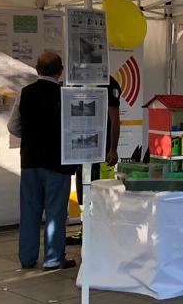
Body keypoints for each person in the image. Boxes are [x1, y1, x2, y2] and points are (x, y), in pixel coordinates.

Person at [7, 51, 77, 271]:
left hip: (30, 160)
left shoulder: (25, 93)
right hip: (58, 161)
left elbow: (13, 126)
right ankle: (53, 258)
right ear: (61, 71)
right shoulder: (66, 95)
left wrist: (30, 137)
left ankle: (27, 258)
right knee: (55, 212)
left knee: (29, 211)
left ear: (37, 69)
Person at [67, 75, 121, 245]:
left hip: (101, 151)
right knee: (82, 191)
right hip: (80, 148)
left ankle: (99, 231)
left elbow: (114, 118)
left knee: (99, 192)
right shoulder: (77, 80)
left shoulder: (109, 83)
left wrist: (113, 149)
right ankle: (86, 229)